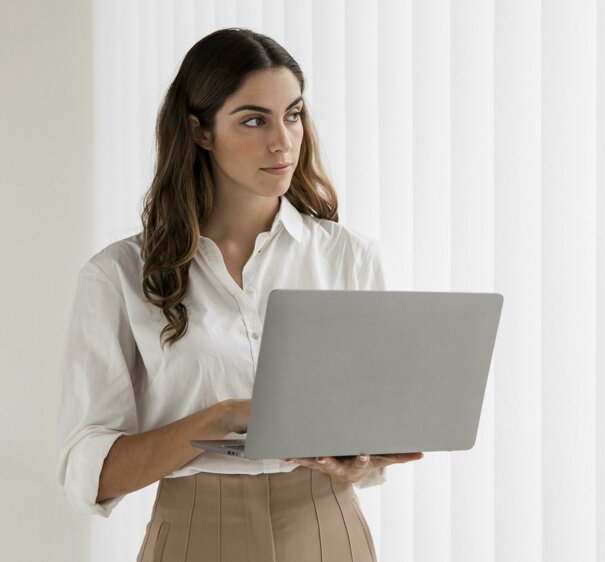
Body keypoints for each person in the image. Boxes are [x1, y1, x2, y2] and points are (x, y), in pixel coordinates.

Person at [55, 28, 423, 561]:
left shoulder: (349, 257)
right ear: (200, 132)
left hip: (326, 525)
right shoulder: (119, 274)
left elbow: (372, 426)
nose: (283, 141)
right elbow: (88, 472)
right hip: (194, 530)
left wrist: (363, 460)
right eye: (254, 120)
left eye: (293, 115)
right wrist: (220, 418)